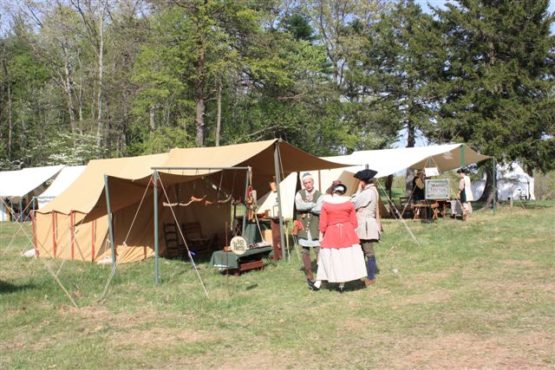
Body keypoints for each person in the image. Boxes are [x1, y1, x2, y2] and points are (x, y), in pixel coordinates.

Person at [311, 181, 367, 293]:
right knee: (345, 257)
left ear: (333, 191)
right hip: (347, 232)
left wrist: (322, 235)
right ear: (343, 191)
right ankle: (342, 284)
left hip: (332, 232)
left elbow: (323, 223)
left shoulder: (326, 204)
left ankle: (318, 282)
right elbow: (354, 222)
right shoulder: (349, 203)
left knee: (327, 257)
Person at [351, 169, 382, 286]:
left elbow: (353, 203)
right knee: (362, 251)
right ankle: (362, 274)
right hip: (364, 224)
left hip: (365, 225)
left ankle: (371, 277)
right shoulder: (370, 191)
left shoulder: (367, 192)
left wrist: (358, 190)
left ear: (363, 181)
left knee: (368, 251)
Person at [294, 172, 323, 289]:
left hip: (315, 227)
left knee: (318, 251)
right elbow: (298, 206)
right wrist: (312, 204)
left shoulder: (319, 194)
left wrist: (306, 205)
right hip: (303, 228)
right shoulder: (299, 194)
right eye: (305, 183)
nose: (308, 185)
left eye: (309, 182)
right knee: (305, 252)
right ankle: (309, 276)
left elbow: (320, 209)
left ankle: (321, 276)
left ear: (313, 182)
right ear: (303, 184)